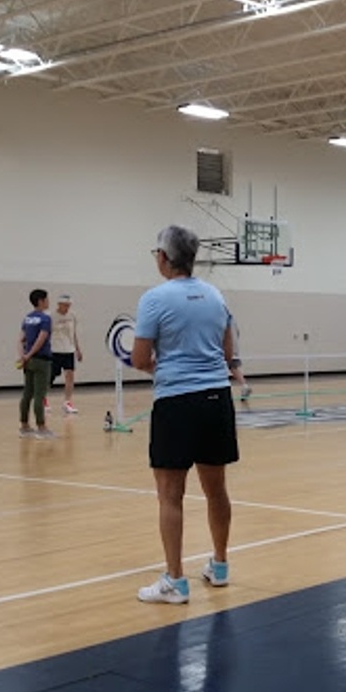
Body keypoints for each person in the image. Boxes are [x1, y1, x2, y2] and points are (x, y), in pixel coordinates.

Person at [132, 225, 237, 606]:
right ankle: (220, 566)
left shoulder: (154, 299)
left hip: (176, 402)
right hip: (216, 400)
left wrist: (160, 365)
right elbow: (227, 353)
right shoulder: (215, 295)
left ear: (163, 256)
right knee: (216, 489)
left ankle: (175, 580)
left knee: (170, 495)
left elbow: (140, 359)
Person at [17, 289, 53, 438]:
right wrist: (31, 354)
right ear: (41, 301)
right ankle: (41, 427)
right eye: (46, 299)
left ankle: (24, 426)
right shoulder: (45, 319)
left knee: (27, 393)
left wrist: (23, 357)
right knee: (40, 394)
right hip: (41, 360)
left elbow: (20, 340)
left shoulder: (27, 318)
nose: (48, 302)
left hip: (28, 360)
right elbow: (41, 339)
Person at [50, 294, 83, 414]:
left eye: (69, 305)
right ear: (59, 304)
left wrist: (78, 350)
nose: (67, 307)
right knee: (50, 376)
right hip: (54, 350)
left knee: (70, 375)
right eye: (65, 305)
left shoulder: (72, 316)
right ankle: (43, 399)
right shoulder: (51, 316)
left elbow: (73, 334)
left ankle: (67, 402)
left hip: (68, 349)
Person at [228, 315, 251, 401]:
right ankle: (244, 386)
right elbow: (237, 332)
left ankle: (244, 386)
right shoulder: (231, 318)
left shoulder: (223, 317)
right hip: (232, 346)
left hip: (229, 347)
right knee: (233, 367)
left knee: (232, 366)